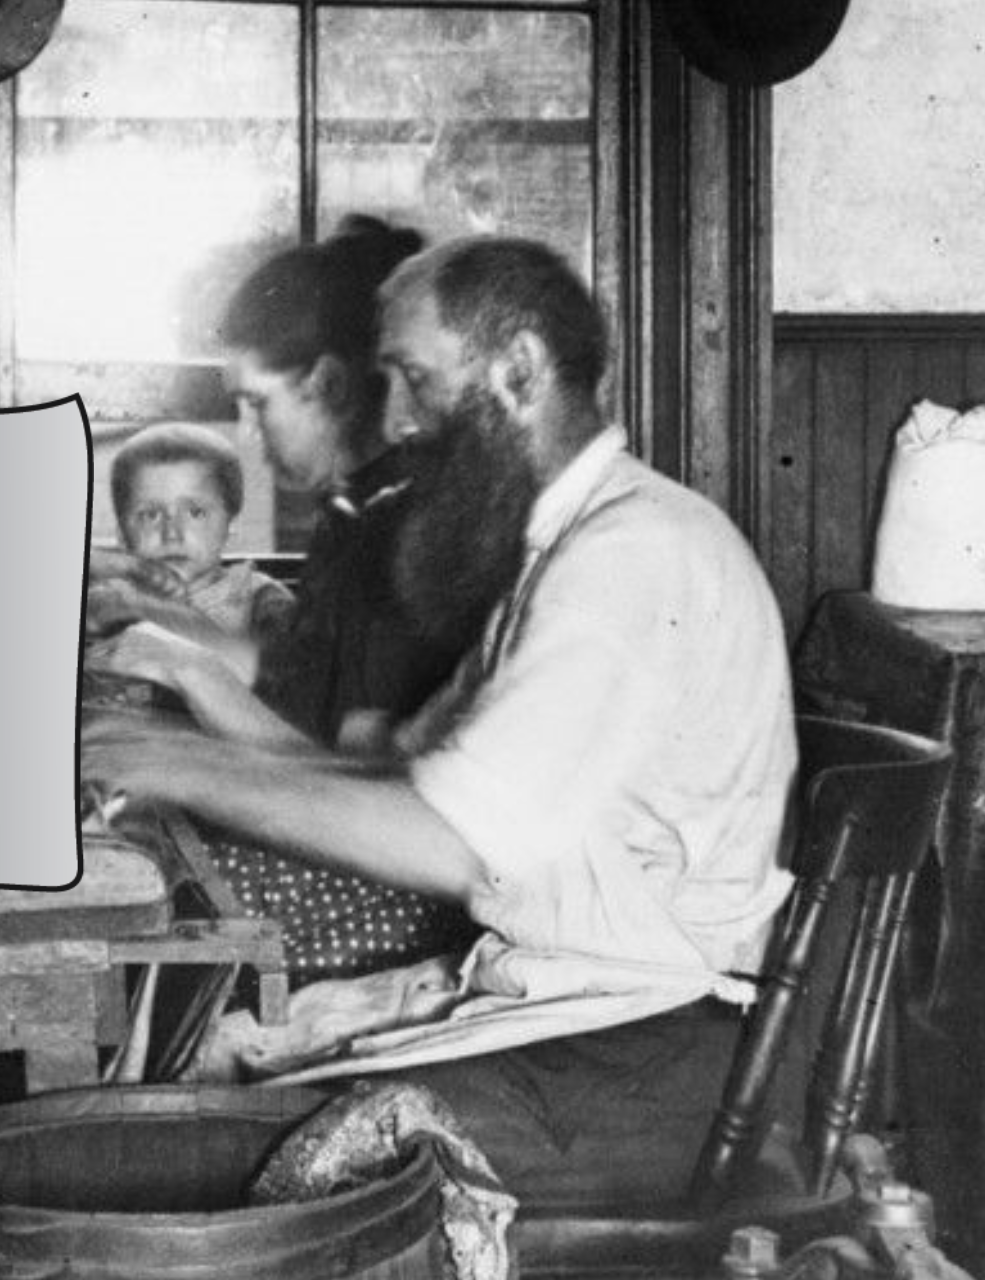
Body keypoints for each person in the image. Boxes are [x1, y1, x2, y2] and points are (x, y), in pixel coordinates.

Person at [80, 234, 796, 1203]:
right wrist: (172, 747)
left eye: (417, 379)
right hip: (583, 1009)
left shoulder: (630, 555)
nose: (401, 421)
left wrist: (184, 766)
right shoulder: (568, 542)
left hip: (644, 1049)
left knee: (211, 1164)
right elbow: (401, 770)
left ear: (519, 369)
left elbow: (453, 839)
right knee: (186, 1089)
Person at [103, 216, 482, 984]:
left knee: (133, 908)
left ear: (326, 385)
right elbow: (302, 685)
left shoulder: (411, 534)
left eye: (257, 403)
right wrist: (150, 619)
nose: (248, 434)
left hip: (395, 892)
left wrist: (188, 677)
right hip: (347, 853)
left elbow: (354, 782)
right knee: (131, 853)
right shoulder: (353, 512)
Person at [90, 422, 295, 650]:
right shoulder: (106, 603)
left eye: (195, 513)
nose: (172, 534)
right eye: (150, 515)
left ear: (230, 522)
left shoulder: (263, 602)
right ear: (121, 532)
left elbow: (277, 670)